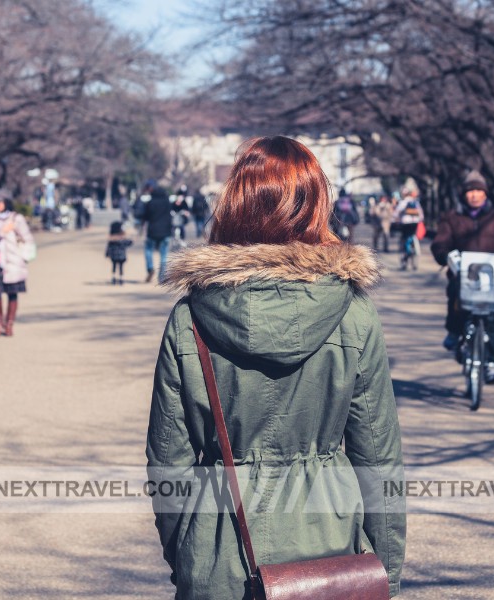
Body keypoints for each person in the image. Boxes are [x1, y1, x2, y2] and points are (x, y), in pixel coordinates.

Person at [147, 136, 406, 599]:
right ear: (316, 205)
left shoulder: (191, 318)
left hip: (219, 548)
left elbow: (169, 460)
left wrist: (187, 555)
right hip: (329, 548)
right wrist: (386, 570)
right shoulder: (353, 312)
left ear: (235, 204)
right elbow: (377, 456)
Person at [430, 170, 494, 384]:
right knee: (455, 298)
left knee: (491, 319)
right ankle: (454, 332)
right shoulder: (452, 217)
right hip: (462, 274)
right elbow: (441, 242)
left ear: (485, 194)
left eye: (479, 191)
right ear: (464, 194)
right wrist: (445, 255)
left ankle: (493, 364)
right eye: (471, 191)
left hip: (490, 277)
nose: (475, 195)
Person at [0, 189, 33, 337]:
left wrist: (23, 256)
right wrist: (2, 231)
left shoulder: (17, 218)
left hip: (14, 261)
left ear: (6, 202)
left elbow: (28, 238)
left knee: (12, 293)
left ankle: (9, 323)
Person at [141, 181, 172, 282]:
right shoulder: (167, 202)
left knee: (148, 250)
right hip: (166, 231)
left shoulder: (150, 202)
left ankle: (150, 268)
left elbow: (145, 216)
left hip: (153, 231)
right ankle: (162, 276)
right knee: (164, 254)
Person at [393, 190, 424, 269]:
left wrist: (396, 219)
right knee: (412, 234)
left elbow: (396, 213)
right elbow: (421, 215)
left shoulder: (403, 202)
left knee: (404, 238)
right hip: (415, 223)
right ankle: (413, 246)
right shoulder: (416, 202)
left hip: (405, 223)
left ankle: (405, 253)